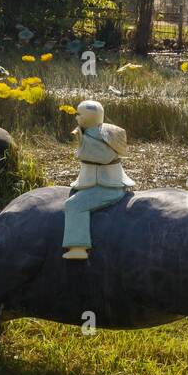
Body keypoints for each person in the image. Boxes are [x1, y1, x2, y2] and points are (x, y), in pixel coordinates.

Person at [62, 100, 134, 260]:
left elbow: (103, 156)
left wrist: (83, 140)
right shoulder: (91, 131)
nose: (76, 118)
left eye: (79, 115)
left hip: (108, 186)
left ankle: (78, 247)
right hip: (94, 181)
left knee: (73, 205)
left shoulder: (102, 136)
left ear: (88, 118)